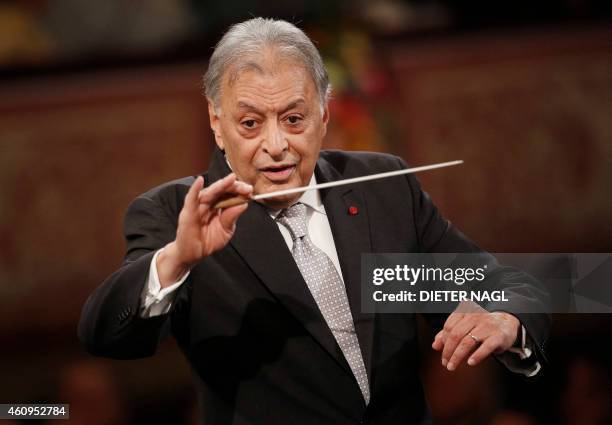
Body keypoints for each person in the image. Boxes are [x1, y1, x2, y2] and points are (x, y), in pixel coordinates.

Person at [78, 18, 550, 425]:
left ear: (324, 113)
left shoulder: (382, 187)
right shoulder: (178, 212)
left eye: (293, 118)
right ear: (216, 122)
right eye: (250, 123)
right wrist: (178, 259)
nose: (277, 144)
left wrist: (508, 318)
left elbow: (510, 283)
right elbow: (104, 335)